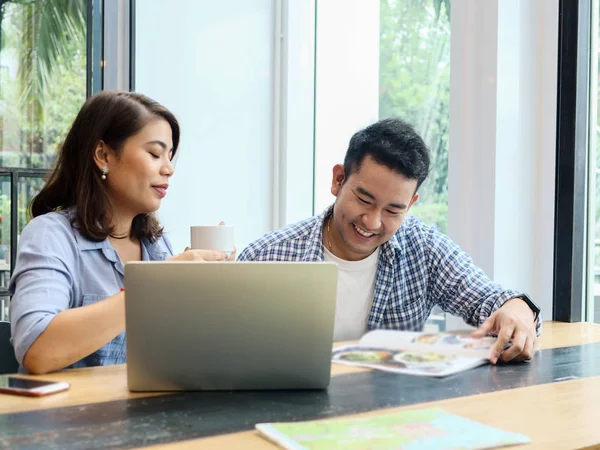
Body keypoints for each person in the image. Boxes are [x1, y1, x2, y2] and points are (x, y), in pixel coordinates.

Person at [238, 118, 541, 364]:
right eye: (364, 199)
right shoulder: (266, 256)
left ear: (410, 205)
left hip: (390, 416)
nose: (372, 222)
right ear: (338, 179)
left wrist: (518, 310)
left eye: (393, 210)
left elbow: (492, 298)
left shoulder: (424, 249)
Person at [9, 91, 230, 374]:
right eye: (154, 153)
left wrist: (203, 292)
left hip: (147, 414)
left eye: (170, 156)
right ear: (103, 155)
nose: (169, 169)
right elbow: (37, 350)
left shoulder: (156, 245)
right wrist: (155, 285)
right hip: (72, 416)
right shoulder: (51, 235)